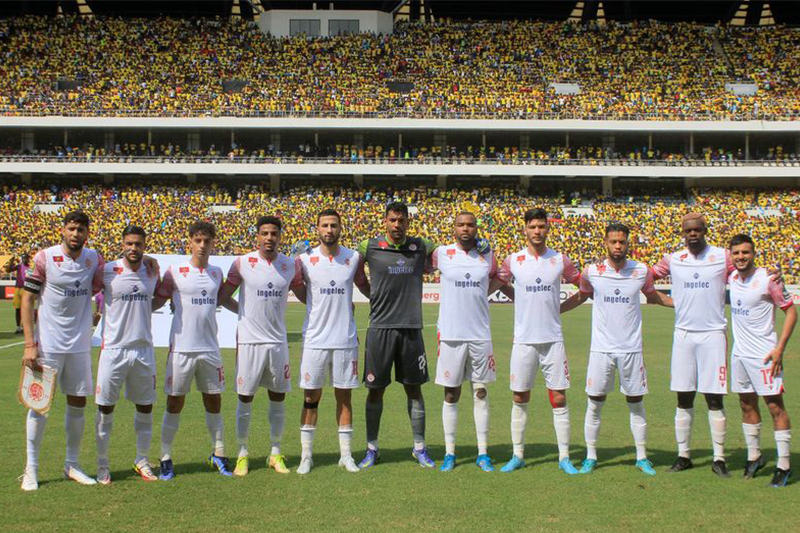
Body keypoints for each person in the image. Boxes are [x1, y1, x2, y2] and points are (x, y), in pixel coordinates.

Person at [560, 223, 673, 476]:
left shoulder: (641, 271)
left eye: (622, 241)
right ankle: (590, 456)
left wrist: (682, 305)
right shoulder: (592, 272)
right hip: (601, 350)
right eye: (613, 241)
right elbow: (581, 296)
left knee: (636, 401)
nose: (618, 246)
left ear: (628, 243)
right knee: (595, 401)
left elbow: (654, 297)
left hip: (631, 349)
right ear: (606, 243)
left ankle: (642, 457)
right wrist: (553, 312)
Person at [19, 211, 105, 490]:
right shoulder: (45, 257)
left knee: (78, 404)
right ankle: (31, 469)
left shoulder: (94, 259)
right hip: (49, 346)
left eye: (81, 229)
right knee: (39, 405)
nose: (76, 234)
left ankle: (72, 464)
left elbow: (108, 283)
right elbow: (28, 299)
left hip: (79, 347)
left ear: (87, 233)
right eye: (71, 228)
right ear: (63, 231)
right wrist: (30, 344)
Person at [495, 207, 580, 474]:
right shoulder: (514, 260)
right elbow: (499, 283)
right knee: (519, 396)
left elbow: (583, 288)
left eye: (542, 226)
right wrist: (516, 297)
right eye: (532, 226)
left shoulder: (559, 260)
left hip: (553, 339)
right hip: (523, 340)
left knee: (558, 397)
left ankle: (564, 457)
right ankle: (517, 454)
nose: (537, 231)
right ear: (525, 229)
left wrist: (561, 309)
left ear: (547, 229)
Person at [218, 215, 305, 475]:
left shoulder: (290, 265)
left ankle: (275, 453)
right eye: (264, 233)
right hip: (249, 341)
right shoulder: (242, 263)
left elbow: (305, 297)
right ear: (257, 236)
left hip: (277, 342)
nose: (269, 238)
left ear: (280, 236)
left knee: (277, 396)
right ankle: (243, 453)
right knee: (245, 397)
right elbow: (222, 297)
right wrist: (242, 312)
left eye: (274, 234)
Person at [652, 213, 736, 477]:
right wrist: (664, 301)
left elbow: (747, 268)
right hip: (684, 335)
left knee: (713, 397)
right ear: (682, 232)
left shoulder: (723, 256)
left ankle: (719, 457)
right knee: (683, 395)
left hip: (713, 333)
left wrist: (771, 273)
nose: (693, 234)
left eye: (697, 230)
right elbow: (646, 278)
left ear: (704, 230)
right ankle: (683, 455)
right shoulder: (673, 259)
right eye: (688, 230)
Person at [356, 202, 439, 469]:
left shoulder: (421, 246)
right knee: (375, 390)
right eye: (392, 220)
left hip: (411, 329)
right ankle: (371, 449)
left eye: (401, 220)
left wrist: (480, 245)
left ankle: (419, 447)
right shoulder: (369, 246)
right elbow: (350, 266)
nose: (397, 225)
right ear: (385, 221)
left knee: (414, 389)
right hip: (380, 328)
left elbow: (450, 252)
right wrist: (372, 294)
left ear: (407, 222)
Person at [153, 221, 238, 480]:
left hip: (210, 348)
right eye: (198, 240)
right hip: (181, 350)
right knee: (174, 401)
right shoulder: (174, 271)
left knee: (214, 400)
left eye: (207, 241)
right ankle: (165, 457)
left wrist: (249, 313)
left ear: (214, 243)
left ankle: (219, 453)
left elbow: (224, 300)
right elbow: (157, 299)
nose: (202, 246)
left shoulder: (215, 274)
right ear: (190, 241)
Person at [294, 209, 370, 474]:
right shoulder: (305, 260)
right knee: (310, 397)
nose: (329, 230)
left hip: (345, 340)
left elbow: (364, 285)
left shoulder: (353, 258)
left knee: (344, 397)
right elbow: (301, 291)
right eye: (325, 225)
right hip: (315, 339)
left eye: (334, 225)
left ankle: (346, 456)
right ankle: (306, 456)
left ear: (340, 228)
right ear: (317, 229)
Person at [431, 212, 502, 472]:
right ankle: (450, 453)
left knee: (480, 392)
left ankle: (483, 452)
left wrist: (484, 292)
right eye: (460, 224)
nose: (465, 228)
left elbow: (499, 277)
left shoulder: (488, 255)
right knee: (451, 393)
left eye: (470, 225)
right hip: (450, 334)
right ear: (453, 228)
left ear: (476, 228)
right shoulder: (441, 253)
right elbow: (420, 256)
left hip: (480, 334)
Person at [728, 234, 795, 487]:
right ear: (731, 255)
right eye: (736, 253)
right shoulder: (731, 277)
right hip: (739, 355)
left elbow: (791, 312)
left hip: (765, 355)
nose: (741, 257)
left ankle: (784, 464)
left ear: (753, 253)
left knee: (775, 406)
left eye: (746, 252)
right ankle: (754, 455)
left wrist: (779, 349)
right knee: (746, 404)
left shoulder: (769, 279)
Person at [94, 225, 159, 484]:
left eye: (138, 244)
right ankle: (102, 465)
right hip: (113, 350)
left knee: (145, 405)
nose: (134, 248)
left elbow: (162, 296)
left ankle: (142, 460)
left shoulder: (152, 271)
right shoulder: (106, 270)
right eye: (129, 243)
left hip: (143, 349)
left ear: (145, 245)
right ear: (122, 244)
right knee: (105, 407)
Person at [4, 253, 30, 333]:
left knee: (25, 309)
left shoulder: (30, 267)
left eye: (27, 258)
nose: (26, 259)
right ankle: (18, 327)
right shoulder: (19, 266)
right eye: (24, 258)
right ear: (22, 259)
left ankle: (23, 327)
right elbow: (8, 270)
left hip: (26, 289)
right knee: (17, 309)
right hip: (17, 289)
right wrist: (12, 261)